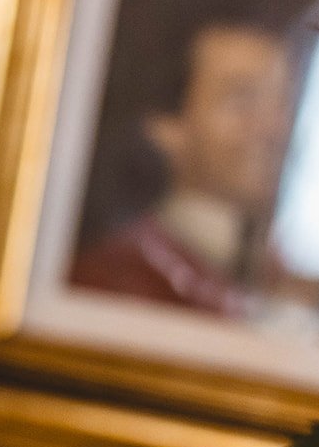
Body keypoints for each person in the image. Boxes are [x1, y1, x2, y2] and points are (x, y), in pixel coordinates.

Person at [70, 21, 294, 318]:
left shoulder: (271, 279)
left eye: (281, 101)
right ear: (166, 126)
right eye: (241, 99)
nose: (274, 128)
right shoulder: (115, 281)